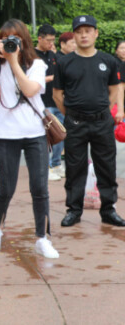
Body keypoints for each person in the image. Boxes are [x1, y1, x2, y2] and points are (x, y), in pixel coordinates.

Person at [0, 19, 59, 258]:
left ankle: (42, 238)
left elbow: (29, 90)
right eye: (6, 39)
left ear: (24, 39)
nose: (10, 43)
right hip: (6, 133)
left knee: (39, 187)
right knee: (5, 187)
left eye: (14, 38)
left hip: (34, 133)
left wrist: (14, 62)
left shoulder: (36, 63)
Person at [53, 15, 125, 227]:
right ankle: (74, 210)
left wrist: (101, 108)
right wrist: (74, 113)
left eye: (88, 30)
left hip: (102, 121)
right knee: (75, 168)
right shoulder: (64, 62)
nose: (83, 35)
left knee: (106, 166)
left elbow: (114, 90)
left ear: (96, 33)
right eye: (79, 31)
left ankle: (108, 209)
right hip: (75, 122)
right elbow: (58, 95)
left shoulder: (108, 61)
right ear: (74, 35)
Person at [34, 24, 63, 181]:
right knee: (45, 137)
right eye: (49, 40)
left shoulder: (52, 55)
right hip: (42, 103)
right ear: (40, 38)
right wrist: (50, 79)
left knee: (59, 134)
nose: (52, 43)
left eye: (53, 40)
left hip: (56, 100)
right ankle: (46, 168)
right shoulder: (31, 55)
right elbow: (29, 80)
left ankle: (56, 163)